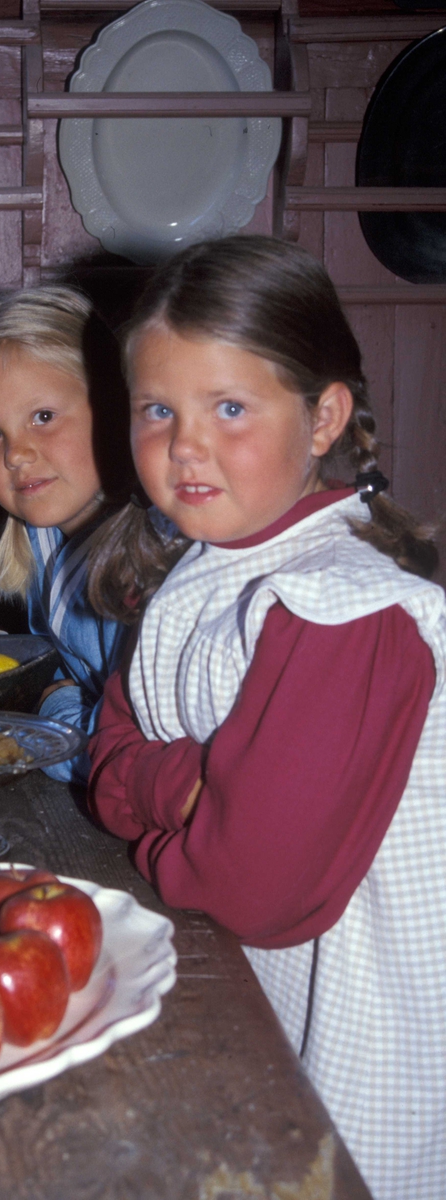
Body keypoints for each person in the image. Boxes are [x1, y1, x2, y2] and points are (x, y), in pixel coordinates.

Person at [86, 234, 445, 1200]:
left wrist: (168, 833)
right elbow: (107, 757)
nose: (184, 445)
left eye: (230, 407)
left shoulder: (345, 611)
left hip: (368, 1034)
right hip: (250, 998)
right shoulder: (202, 575)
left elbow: (255, 887)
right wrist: (189, 787)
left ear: (324, 416)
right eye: (157, 409)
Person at [0, 285, 177, 784]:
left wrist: (51, 703)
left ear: (115, 410)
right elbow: (53, 662)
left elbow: (117, 753)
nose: (16, 455)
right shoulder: (38, 542)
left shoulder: (150, 566)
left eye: (43, 417)